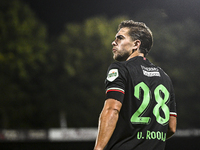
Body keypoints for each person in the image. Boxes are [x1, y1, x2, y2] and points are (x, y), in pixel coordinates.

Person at [94, 20, 177, 150]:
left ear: (136, 44)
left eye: (120, 38)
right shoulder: (164, 77)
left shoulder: (119, 69)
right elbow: (171, 127)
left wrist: (98, 148)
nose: (113, 42)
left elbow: (112, 109)